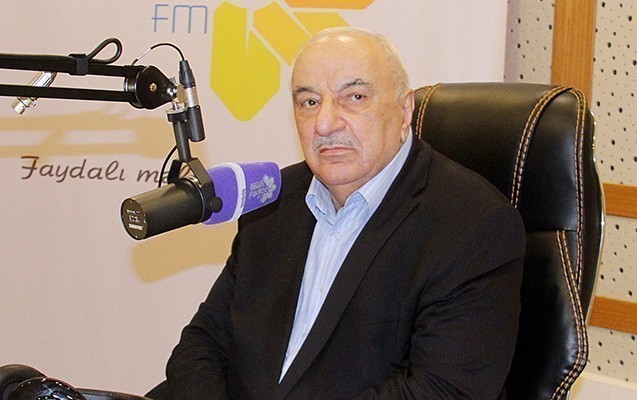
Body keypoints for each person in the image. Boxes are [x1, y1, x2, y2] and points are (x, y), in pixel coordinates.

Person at [160, 27, 526, 399]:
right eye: (309, 102)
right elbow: (202, 345)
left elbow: (443, 390)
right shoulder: (273, 199)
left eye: (354, 97)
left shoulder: (472, 225)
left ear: (404, 110)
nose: (324, 123)